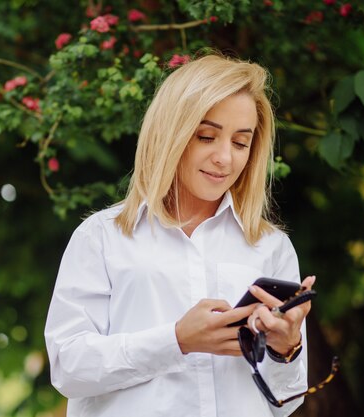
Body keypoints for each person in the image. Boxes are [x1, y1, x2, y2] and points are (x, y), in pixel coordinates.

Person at [44, 53, 316, 417]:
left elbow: (287, 401)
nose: (225, 157)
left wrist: (287, 348)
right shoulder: (101, 238)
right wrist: (176, 341)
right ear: (170, 132)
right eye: (207, 136)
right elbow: (68, 367)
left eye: (240, 143)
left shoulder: (271, 248)